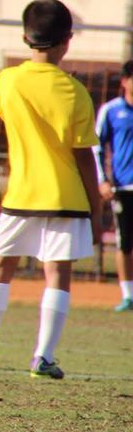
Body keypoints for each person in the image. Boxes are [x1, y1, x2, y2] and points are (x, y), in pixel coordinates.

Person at [0, 0, 102, 379]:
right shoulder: (77, 92)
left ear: (25, 36)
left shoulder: (8, 80)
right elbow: (84, 155)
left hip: (20, 195)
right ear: (68, 40)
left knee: (0, 269)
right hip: (66, 198)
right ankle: (43, 357)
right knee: (58, 275)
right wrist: (95, 209)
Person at [96, 60, 133, 312]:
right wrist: (102, 180)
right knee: (125, 242)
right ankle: (127, 294)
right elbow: (96, 146)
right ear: (124, 81)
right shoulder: (111, 110)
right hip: (123, 187)